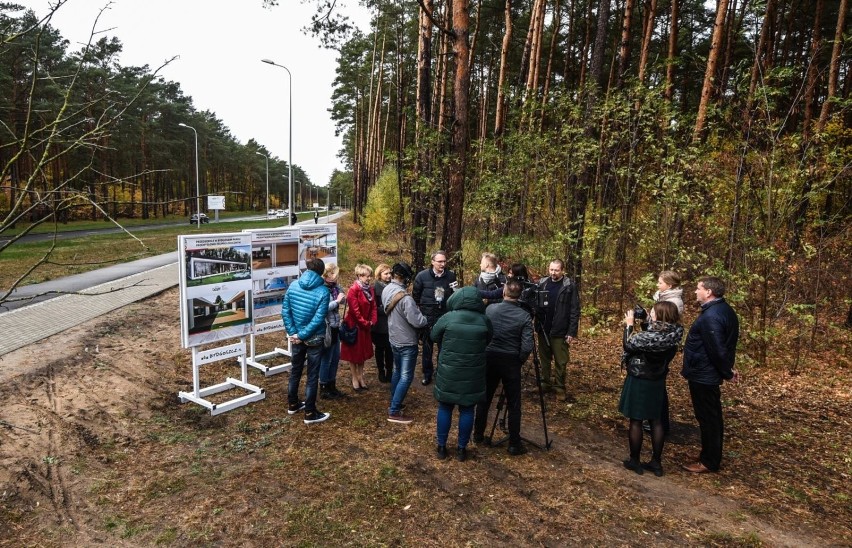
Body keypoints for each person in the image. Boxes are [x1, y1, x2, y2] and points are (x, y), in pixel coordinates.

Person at [681, 276, 740, 473]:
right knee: (708, 417)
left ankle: (709, 461)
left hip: (704, 375)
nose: (695, 292)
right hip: (705, 371)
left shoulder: (712, 316)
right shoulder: (721, 310)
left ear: (708, 292)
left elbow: (718, 349)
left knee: (709, 418)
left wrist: (727, 373)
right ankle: (707, 455)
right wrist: (728, 368)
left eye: (698, 288)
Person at [619, 301, 684, 476]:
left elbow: (629, 344)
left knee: (636, 420)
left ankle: (635, 460)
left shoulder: (647, 337)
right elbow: (654, 335)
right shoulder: (673, 333)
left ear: (660, 316)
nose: (651, 314)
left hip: (640, 378)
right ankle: (656, 462)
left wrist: (629, 326)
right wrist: (647, 321)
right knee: (656, 421)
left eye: (654, 312)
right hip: (657, 379)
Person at [431, 286, 493, 461]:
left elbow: (433, 336)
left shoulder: (447, 318)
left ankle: (442, 447)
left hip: (449, 372)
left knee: (445, 407)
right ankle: (461, 449)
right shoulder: (484, 320)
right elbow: (489, 338)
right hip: (473, 373)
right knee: (467, 410)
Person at [473, 279, 534, 455]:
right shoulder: (524, 316)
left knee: (484, 398)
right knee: (514, 403)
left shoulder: (490, 309)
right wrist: (518, 360)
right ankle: (514, 443)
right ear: (520, 294)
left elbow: (482, 332)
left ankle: (478, 434)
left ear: (504, 291)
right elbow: (527, 345)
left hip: (490, 358)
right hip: (510, 361)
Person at [281, 258, 331, 424]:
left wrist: (294, 333)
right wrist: (301, 335)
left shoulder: (293, 285)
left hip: (296, 338)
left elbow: (285, 311)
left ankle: (293, 403)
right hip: (313, 338)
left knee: (295, 370)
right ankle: (310, 413)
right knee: (312, 375)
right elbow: (318, 319)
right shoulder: (323, 291)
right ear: (321, 272)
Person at [383, 262, 428, 424]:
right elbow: (417, 322)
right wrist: (425, 319)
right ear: (405, 277)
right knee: (406, 376)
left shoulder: (387, 289)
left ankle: (395, 401)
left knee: (396, 371)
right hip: (407, 340)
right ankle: (394, 410)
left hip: (394, 337)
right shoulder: (406, 298)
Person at [536, 259, 581, 400]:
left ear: (562, 270)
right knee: (544, 358)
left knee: (561, 361)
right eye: (551, 270)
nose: (553, 273)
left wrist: (571, 332)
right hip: (543, 328)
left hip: (560, 330)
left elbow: (575, 310)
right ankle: (545, 383)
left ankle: (559, 387)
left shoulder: (569, 286)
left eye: (556, 270)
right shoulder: (542, 283)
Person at [413, 250, 457, 385]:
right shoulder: (421, 276)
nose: (442, 264)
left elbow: (455, 295)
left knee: (443, 348)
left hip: (444, 318)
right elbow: (415, 297)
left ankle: (441, 373)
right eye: (440, 261)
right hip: (427, 318)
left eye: (444, 261)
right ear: (432, 262)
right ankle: (427, 374)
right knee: (427, 349)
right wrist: (420, 314)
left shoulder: (451, 276)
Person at [340, 264, 377, 391]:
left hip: (365, 326)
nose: (369, 278)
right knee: (353, 353)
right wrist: (365, 323)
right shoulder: (353, 290)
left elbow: (373, 306)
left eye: (370, 276)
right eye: (367, 276)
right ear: (359, 276)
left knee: (363, 353)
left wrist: (372, 320)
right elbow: (355, 312)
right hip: (354, 326)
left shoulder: (370, 289)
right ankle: (354, 377)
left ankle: (361, 376)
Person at [319, 262, 346, 400]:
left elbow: (342, 300)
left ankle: (332, 384)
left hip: (336, 326)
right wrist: (336, 301)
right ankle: (323, 386)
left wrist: (341, 299)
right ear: (327, 275)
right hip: (327, 327)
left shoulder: (335, 287)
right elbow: (322, 308)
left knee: (335, 358)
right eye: (333, 274)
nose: (336, 277)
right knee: (327, 358)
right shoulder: (321, 289)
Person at [371, 263, 394, 383]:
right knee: (380, 349)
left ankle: (389, 371)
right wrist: (387, 309)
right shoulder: (374, 288)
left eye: (390, 273)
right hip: (379, 324)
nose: (389, 276)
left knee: (390, 349)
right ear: (379, 275)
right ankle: (381, 371)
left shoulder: (393, 286)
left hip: (391, 323)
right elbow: (373, 307)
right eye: (386, 273)